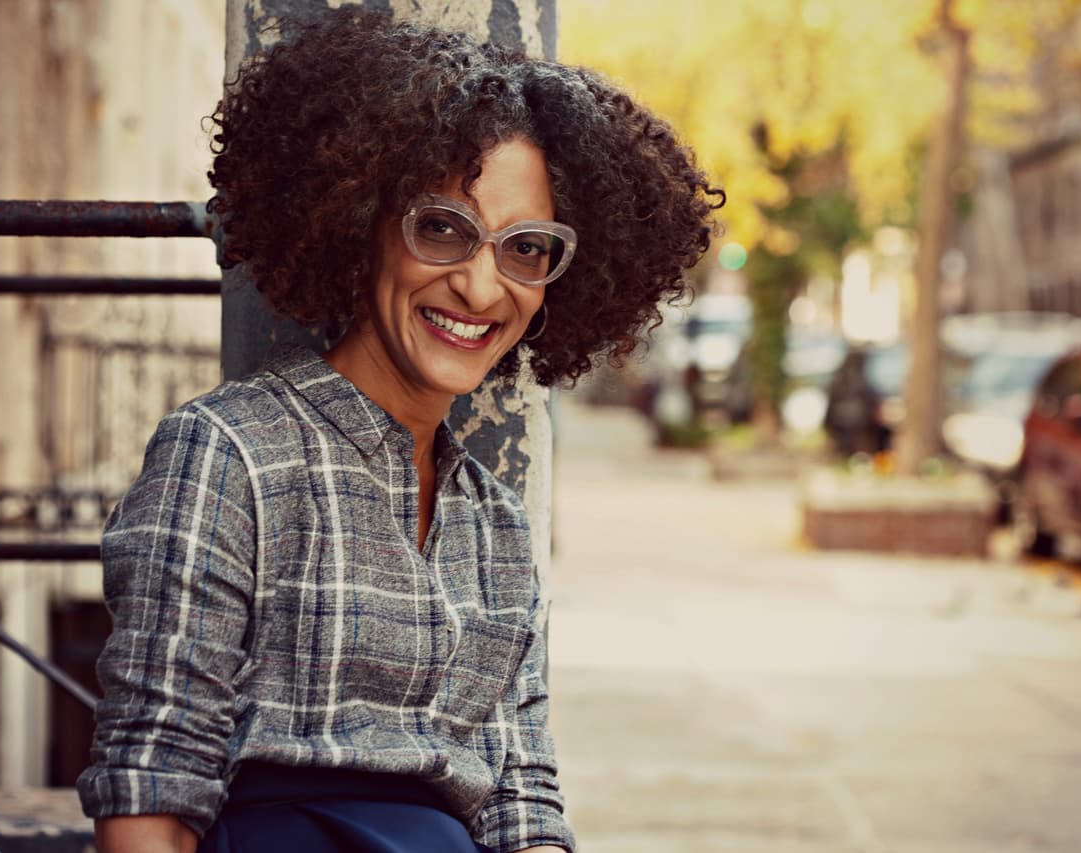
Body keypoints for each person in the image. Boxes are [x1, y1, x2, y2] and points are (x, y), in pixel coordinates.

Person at [77, 8, 722, 853]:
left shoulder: (496, 525)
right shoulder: (228, 454)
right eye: (443, 228)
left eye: (525, 248)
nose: (481, 288)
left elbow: (523, 802)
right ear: (363, 220)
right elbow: (149, 788)